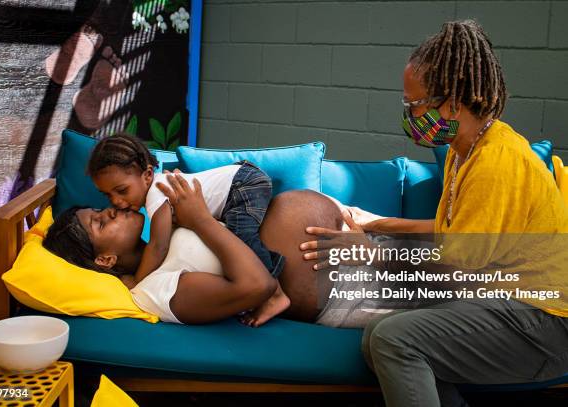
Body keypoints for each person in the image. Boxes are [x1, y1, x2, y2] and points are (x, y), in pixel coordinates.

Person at [300, 20, 568, 407]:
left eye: (415, 103)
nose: (409, 114)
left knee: (395, 340)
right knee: (379, 335)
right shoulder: (466, 152)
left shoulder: (496, 161)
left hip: (544, 322)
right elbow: (454, 231)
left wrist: (369, 250)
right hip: (511, 305)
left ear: (453, 99)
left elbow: (454, 265)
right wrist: (376, 222)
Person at [43, 177, 355, 325]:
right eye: (99, 222)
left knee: (405, 243)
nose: (111, 209)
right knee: (403, 319)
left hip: (351, 233)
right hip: (345, 286)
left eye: (101, 209)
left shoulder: (163, 231)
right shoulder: (153, 290)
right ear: (105, 259)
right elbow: (256, 285)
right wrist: (201, 220)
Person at [85, 133, 289, 326]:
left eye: (121, 190)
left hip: (242, 185)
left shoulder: (157, 192)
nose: (116, 202)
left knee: (244, 238)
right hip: (241, 179)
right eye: (107, 195)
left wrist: (138, 280)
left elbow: (158, 246)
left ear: (147, 175)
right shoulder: (160, 191)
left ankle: (276, 295)